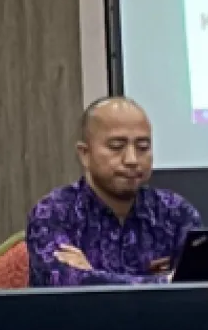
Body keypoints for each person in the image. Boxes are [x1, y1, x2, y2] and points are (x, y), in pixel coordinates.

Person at [27, 96, 201, 286]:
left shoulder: (175, 213)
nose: (132, 159)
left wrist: (92, 276)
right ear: (85, 154)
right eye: (117, 147)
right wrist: (165, 282)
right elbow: (66, 285)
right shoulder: (54, 213)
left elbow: (198, 285)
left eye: (143, 147)